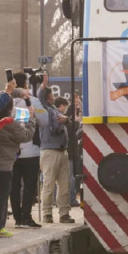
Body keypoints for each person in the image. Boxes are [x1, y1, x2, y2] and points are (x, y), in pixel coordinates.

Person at [0, 96, 36, 238]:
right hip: (3, 164)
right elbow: (26, 136)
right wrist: (31, 119)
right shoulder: (11, 123)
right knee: (1, 197)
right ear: (9, 108)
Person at [10, 73, 46, 228]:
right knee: (29, 185)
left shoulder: (6, 101)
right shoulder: (34, 101)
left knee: (14, 185)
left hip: (11, 150)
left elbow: (10, 119)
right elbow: (44, 122)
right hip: (30, 149)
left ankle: (17, 218)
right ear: (25, 84)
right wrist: (31, 116)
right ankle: (26, 216)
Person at [37, 73, 74, 224]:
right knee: (49, 184)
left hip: (62, 150)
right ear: (48, 96)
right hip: (49, 151)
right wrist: (43, 85)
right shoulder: (44, 108)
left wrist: (66, 120)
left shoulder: (55, 110)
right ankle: (47, 213)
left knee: (65, 185)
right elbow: (39, 97)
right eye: (51, 94)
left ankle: (64, 213)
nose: (53, 97)